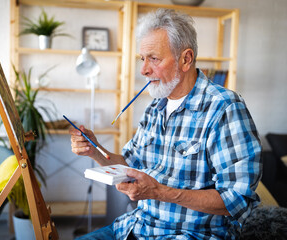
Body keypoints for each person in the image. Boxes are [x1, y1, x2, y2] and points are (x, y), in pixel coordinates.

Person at [69, 8, 262, 240]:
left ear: (186, 59)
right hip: (137, 226)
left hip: (191, 234)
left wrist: (159, 192)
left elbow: (237, 199)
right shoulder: (155, 108)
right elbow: (128, 165)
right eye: (143, 59)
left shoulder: (224, 108)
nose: (143, 70)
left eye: (154, 58)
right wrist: (95, 150)